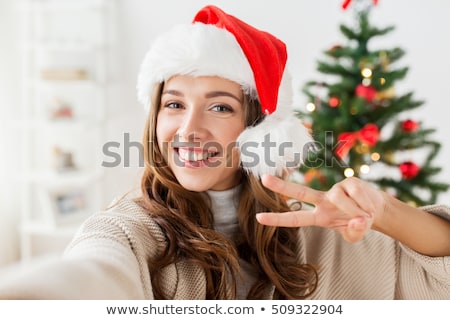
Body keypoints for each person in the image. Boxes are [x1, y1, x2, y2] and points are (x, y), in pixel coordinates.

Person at [1, 5, 449, 300]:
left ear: (260, 130)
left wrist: (386, 211)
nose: (188, 129)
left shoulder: (322, 232)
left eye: (219, 106)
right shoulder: (128, 232)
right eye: (174, 104)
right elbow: (93, 275)